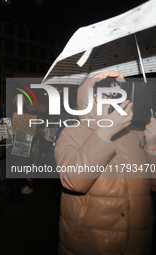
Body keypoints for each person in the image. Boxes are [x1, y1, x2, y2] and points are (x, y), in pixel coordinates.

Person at [55, 71, 156, 255]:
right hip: (91, 244)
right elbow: (74, 182)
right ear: (87, 100)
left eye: (117, 96)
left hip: (137, 243)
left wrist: (152, 147)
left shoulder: (136, 133)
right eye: (105, 97)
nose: (111, 102)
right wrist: (104, 134)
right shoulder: (72, 133)